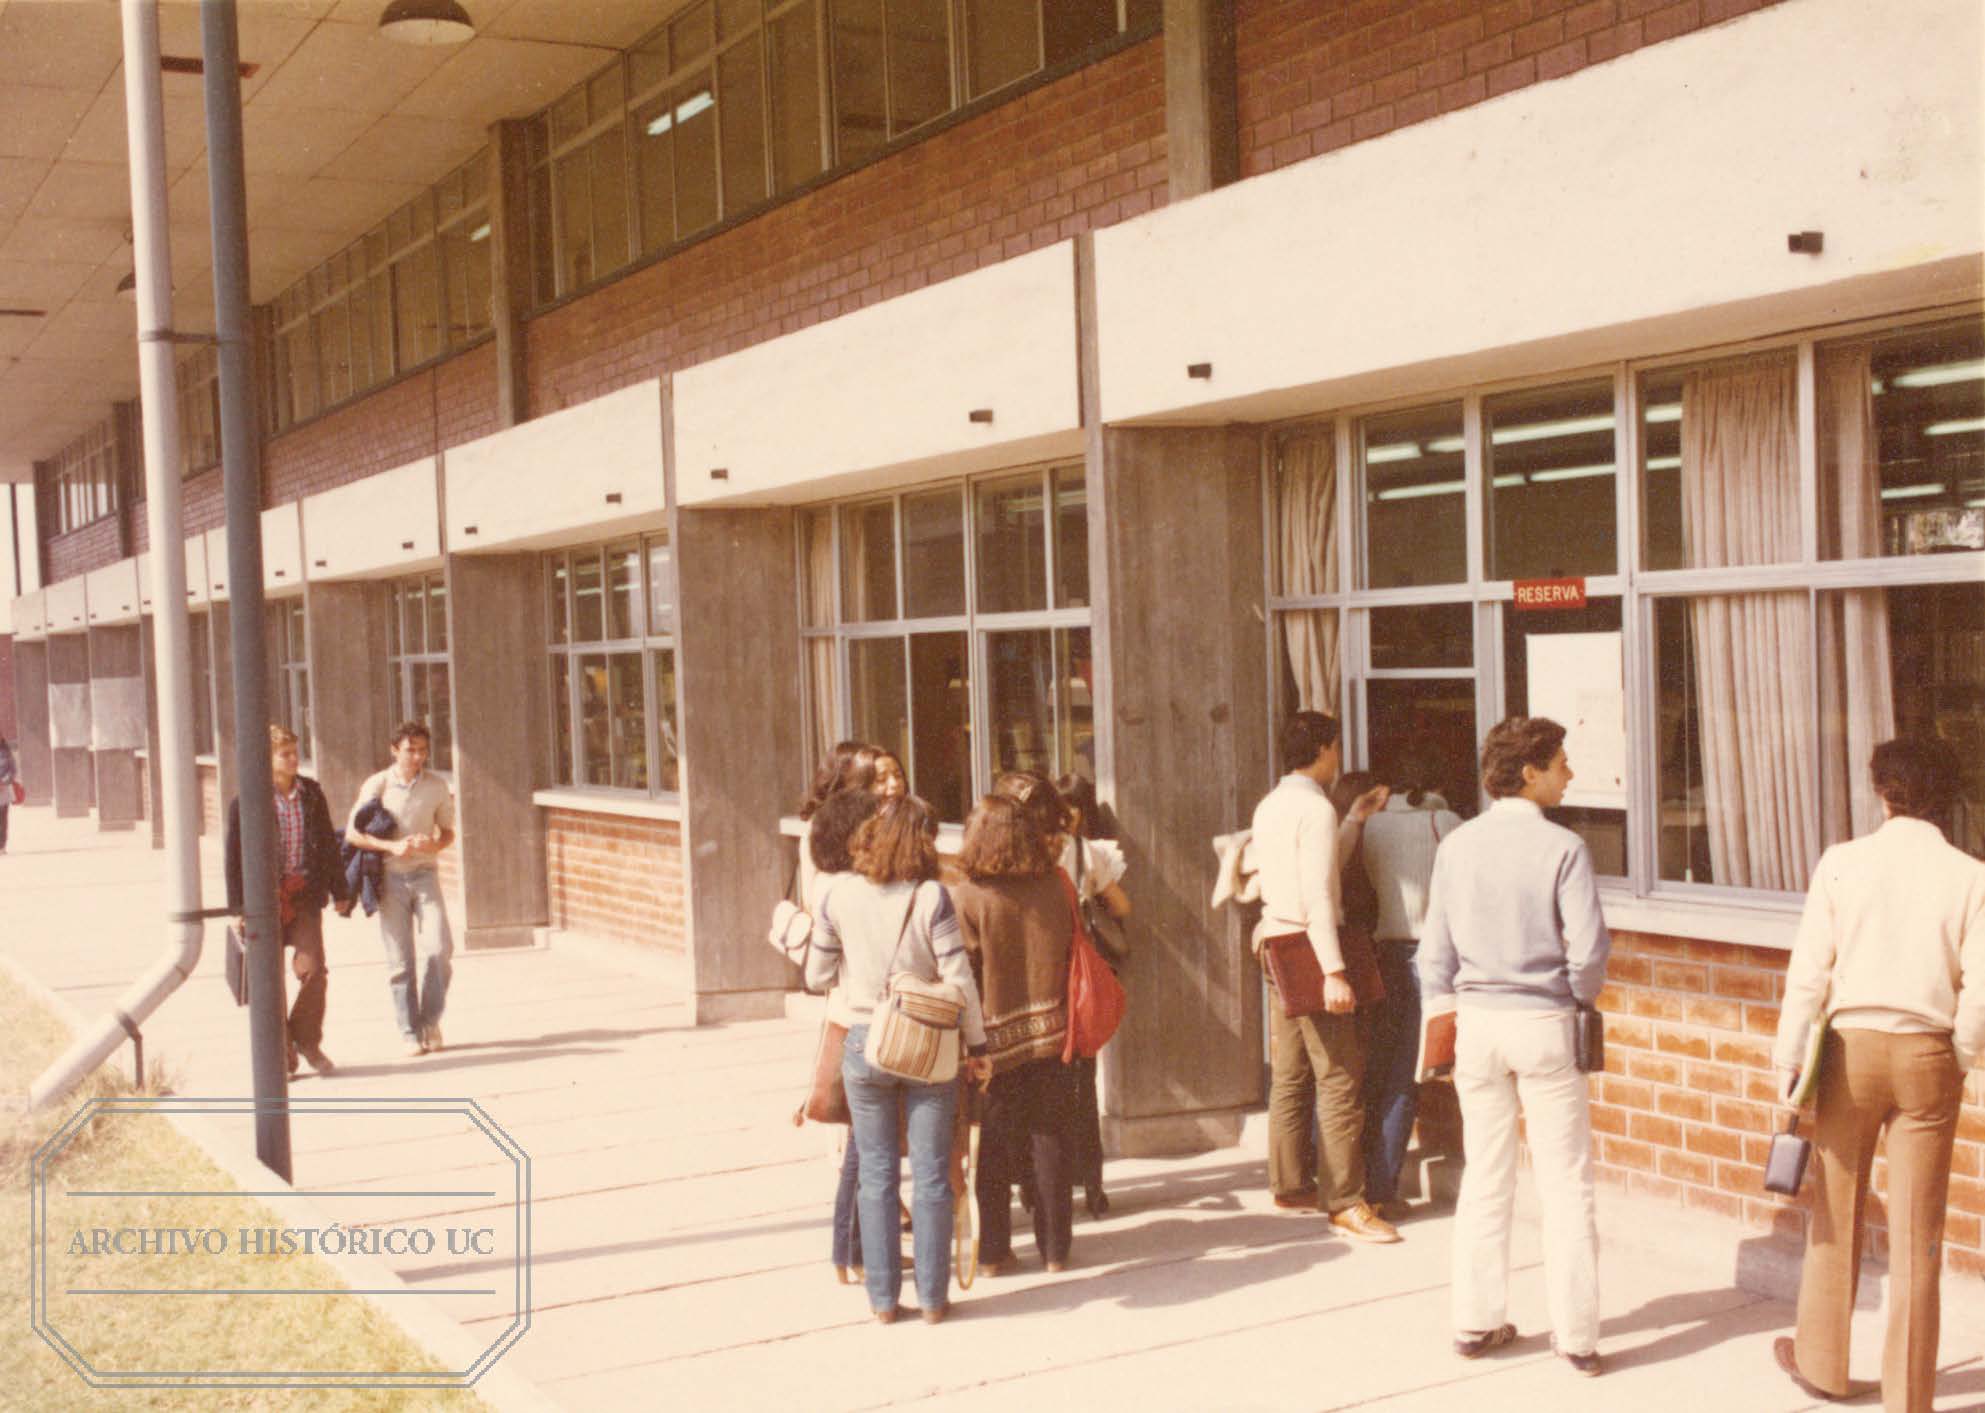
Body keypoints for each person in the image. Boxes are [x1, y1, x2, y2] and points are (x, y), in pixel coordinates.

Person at [1770, 737, 1985, 1413]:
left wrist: (1788, 1062)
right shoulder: (1971, 875)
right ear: (1944, 796)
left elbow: (1808, 971)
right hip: (1927, 1051)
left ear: (1881, 791)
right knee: (1919, 1234)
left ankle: (1822, 1364)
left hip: (1850, 1051)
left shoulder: (1841, 862)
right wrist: (1960, 1055)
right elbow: (1980, 989)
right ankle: (1909, 1398)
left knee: (1835, 1211)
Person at [1419, 716, 1609, 1377]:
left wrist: (1444, 1012)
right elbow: (1588, 951)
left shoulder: (1456, 844)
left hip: (1476, 1022)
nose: (1569, 773)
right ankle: (1577, 1336)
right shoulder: (1564, 847)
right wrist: (1577, 997)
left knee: (1485, 1174)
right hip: (1544, 1019)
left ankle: (1474, 1320)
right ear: (1529, 773)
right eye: (1561, 763)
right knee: (1565, 1182)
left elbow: (1434, 952)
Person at [806, 795, 989, 1324]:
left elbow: (816, 976)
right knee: (932, 1175)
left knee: (876, 1174)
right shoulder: (932, 897)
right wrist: (978, 1047)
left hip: (865, 1042)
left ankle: (883, 1301)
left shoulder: (838, 896)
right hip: (929, 1045)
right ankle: (933, 1299)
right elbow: (959, 979)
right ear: (922, 845)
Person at [1250, 711, 1396, 1242]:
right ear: (1323, 750)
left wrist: (1353, 820)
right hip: (1311, 946)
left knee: (1291, 1072)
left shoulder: (1271, 804)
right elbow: (1318, 893)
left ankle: (1290, 1182)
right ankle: (1346, 1201)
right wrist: (1334, 971)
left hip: (1276, 940)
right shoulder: (1314, 809)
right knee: (1339, 1077)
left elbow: (1314, 872)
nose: (1338, 756)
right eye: (1335, 746)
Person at [951, 792, 1087, 1274]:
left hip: (991, 1038)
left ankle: (993, 1253)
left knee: (991, 1143)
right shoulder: (1055, 884)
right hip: (1052, 1031)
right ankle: (1055, 1250)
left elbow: (963, 972)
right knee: (1051, 1138)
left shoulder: (967, 895)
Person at [1357, 763, 1463, 1219]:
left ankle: (1365, 1181)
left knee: (1379, 1070)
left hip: (1383, 952)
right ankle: (1383, 1189)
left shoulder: (1372, 825)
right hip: (1428, 955)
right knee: (1407, 1073)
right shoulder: (1448, 823)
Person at [224, 725, 353, 1075]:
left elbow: (327, 845)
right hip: (264, 902)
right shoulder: (247, 800)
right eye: (285, 754)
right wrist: (238, 907)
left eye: (296, 752)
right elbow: (234, 858)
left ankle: (306, 1040)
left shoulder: (311, 794)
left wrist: (340, 890)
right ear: (268, 759)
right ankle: (282, 1056)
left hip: (303, 895)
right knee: (269, 980)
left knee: (314, 970)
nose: (294, 759)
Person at [804, 785, 882, 1287]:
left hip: (846, 1017)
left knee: (862, 1141)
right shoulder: (849, 890)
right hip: (862, 1020)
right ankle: (854, 1249)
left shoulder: (829, 885)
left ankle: (849, 1249)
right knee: (866, 1144)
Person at [345, 722, 456, 1059]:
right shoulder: (377, 784)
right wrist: (390, 847)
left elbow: (448, 832)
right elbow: (352, 834)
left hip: (425, 875)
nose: (417, 757)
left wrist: (434, 844)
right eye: (410, 750)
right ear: (394, 750)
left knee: (439, 950)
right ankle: (409, 1031)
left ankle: (429, 1022)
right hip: (390, 878)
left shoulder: (436, 786)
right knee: (400, 962)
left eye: (423, 750)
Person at [1056, 773, 1130, 1218]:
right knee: (1084, 1086)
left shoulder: (1032, 851)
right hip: (1080, 979)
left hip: (1046, 980)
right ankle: (1093, 1188)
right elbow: (1121, 905)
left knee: (1052, 1089)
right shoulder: (1088, 853)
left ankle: (1047, 1187)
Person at [0, 734, 16, 855]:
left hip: (3, 791)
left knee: (2, 820)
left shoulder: (6, 752)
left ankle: (2, 845)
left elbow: (13, 770)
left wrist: (3, 782)